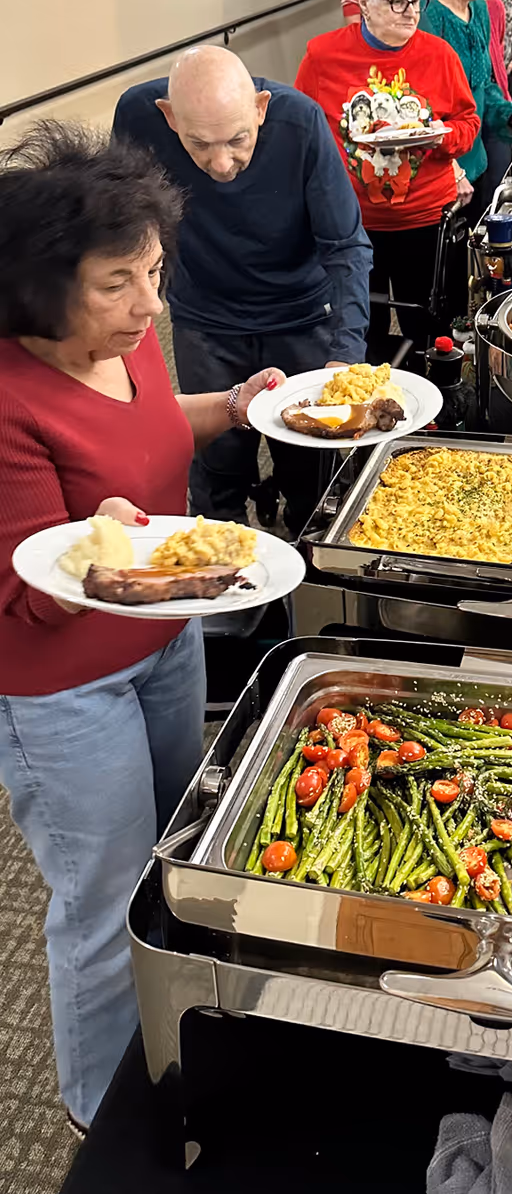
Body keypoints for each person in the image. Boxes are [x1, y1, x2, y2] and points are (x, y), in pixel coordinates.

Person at [0, 122, 286, 1130]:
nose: (148, 305)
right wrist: (101, 540)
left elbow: (158, 434)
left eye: (155, 273)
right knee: (103, 897)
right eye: (118, 281)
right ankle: (91, 1114)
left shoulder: (124, 347)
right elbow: (29, 585)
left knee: (176, 847)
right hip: (60, 688)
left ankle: (181, 1027)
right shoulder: (9, 396)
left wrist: (239, 407)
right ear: (43, 287)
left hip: (166, 647)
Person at [113, 46, 371, 533]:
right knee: (214, 471)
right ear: (169, 117)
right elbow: (123, 228)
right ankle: (227, 588)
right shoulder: (138, 115)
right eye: (199, 144)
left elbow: (347, 246)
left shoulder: (301, 122)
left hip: (300, 316)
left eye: (237, 140)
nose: (222, 162)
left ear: (260, 108)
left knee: (311, 469)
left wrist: (345, 352)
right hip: (205, 321)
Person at [296, 0, 480, 364]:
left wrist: (440, 138)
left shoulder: (439, 55)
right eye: (398, 2)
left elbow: (468, 125)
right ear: (363, 1)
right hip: (351, 227)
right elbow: (304, 137)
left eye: (417, 0)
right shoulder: (322, 56)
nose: (411, 12)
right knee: (359, 337)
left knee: (432, 335)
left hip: (423, 221)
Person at [418, 0, 512, 213]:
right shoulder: (427, 17)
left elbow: (484, 86)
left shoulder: (480, 10)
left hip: (475, 161)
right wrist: (452, 169)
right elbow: (422, 113)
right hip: (443, 171)